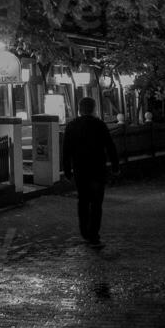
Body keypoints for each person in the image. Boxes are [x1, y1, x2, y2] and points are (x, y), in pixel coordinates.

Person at [61, 97, 121, 245]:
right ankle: (94, 233)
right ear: (93, 109)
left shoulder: (72, 126)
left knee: (83, 200)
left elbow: (66, 150)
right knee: (96, 202)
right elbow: (110, 146)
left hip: (80, 169)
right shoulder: (99, 124)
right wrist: (115, 166)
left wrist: (67, 170)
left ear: (79, 109)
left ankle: (84, 231)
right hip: (97, 168)